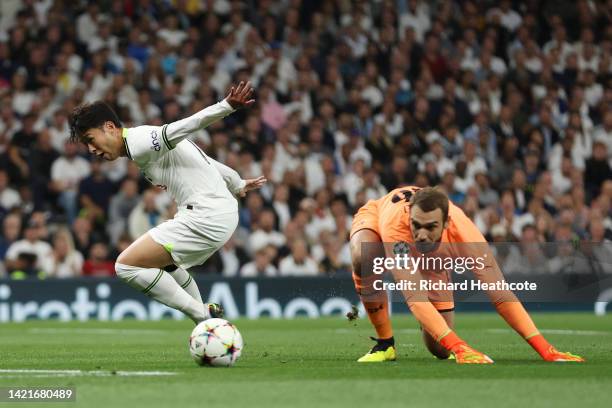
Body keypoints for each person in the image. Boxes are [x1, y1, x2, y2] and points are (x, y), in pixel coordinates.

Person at [68, 81, 266, 323]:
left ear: (109, 127)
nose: (91, 149)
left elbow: (184, 127)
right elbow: (202, 159)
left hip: (205, 216)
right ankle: (206, 322)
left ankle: (200, 312)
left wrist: (225, 107)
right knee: (166, 264)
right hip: (217, 213)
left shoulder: (141, 141)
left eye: (90, 139)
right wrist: (236, 183)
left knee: (125, 266)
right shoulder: (139, 146)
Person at [350, 186, 584, 364]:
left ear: (446, 223)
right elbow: (414, 296)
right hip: (377, 219)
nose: (421, 234)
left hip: (435, 258)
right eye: (416, 225)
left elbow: (501, 295)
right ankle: (385, 343)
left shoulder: (466, 235)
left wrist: (546, 349)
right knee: (363, 255)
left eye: (430, 227)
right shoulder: (397, 226)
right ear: (410, 216)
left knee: (441, 351)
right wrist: (461, 347)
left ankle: (435, 325)